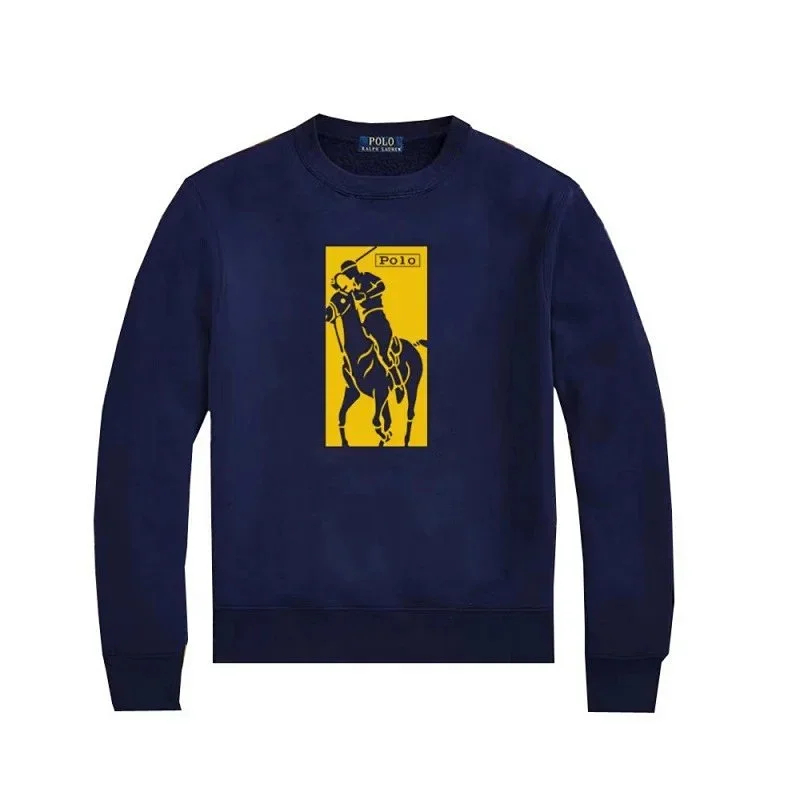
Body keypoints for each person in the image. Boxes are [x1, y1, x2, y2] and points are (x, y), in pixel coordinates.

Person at [333, 259, 404, 400]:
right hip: (365, 322)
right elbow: (345, 296)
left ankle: (398, 383)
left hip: (377, 318)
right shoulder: (352, 286)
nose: (348, 276)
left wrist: (367, 295)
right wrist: (335, 284)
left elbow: (382, 286)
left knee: (383, 354)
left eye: (348, 273)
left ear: (354, 269)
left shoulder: (367, 277)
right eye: (346, 275)